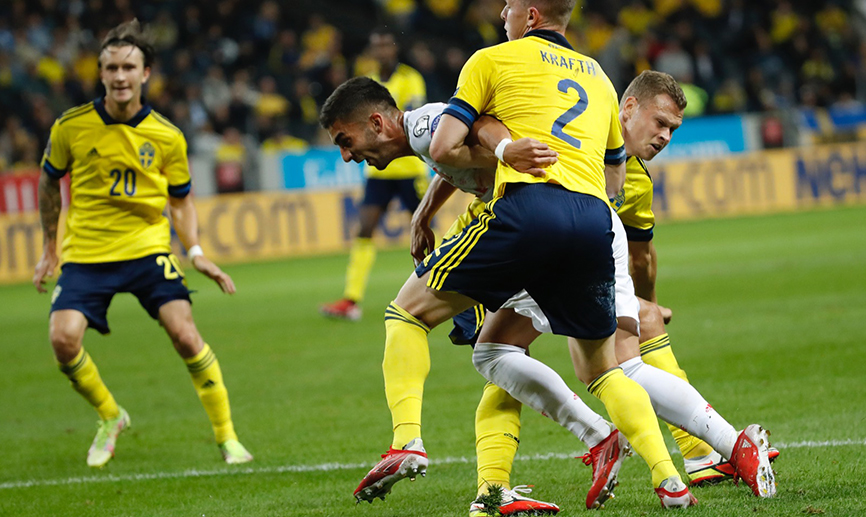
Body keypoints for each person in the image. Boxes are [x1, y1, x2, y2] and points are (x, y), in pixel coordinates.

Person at [329, 0, 704, 510]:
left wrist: (506, 151)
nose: (349, 155)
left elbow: (467, 130)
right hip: (590, 215)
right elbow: (455, 161)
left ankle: (412, 443)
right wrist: (423, 215)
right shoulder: (592, 74)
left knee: (410, 315)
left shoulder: (452, 98)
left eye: (346, 142)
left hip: (526, 215)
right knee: (546, 360)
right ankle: (665, 478)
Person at [33, 20, 252, 468]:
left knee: (185, 335)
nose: (119, 76)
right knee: (62, 340)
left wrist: (195, 252)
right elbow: (48, 183)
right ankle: (111, 416)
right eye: (111, 67)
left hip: (148, 248)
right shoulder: (70, 127)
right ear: (100, 73)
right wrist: (49, 248)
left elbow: (182, 202)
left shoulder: (167, 136)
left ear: (145, 73)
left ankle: (228, 438)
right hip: (87, 254)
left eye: (128, 67)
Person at [611, 70, 779, 486]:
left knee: (508, 354)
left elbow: (641, 258)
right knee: (503, 360)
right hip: (515, 262)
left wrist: (648, 302)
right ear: (628, 107)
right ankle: (493, 485)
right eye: (660, 123)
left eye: (673, 129)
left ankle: (698, 455)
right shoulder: (579, 142)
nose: (666, 137)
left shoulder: (636, 180)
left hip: (565, 278)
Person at [319, 27, 429, 321]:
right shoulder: (367, 84)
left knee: (424, 226)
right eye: (376, 47)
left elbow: (405, 119)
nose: (382, 52)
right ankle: (351, 299)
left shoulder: (410, 78)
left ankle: (448, 281)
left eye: (386, 46)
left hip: (408, 167)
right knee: (365, 229)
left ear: (393, 49)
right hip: (378, 173)